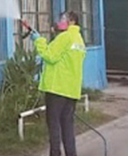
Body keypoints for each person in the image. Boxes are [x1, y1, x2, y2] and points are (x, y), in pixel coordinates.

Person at [27, 11, 86, 156]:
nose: (60, 21)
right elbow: (63, 58)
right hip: (71, 91)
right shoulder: (78, 39)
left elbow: (50, 56)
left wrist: (38, 40)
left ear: (72, 21)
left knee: (54, 126)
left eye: (63, 19)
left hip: (57, 89)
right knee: (68, 127)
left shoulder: (65, 37)